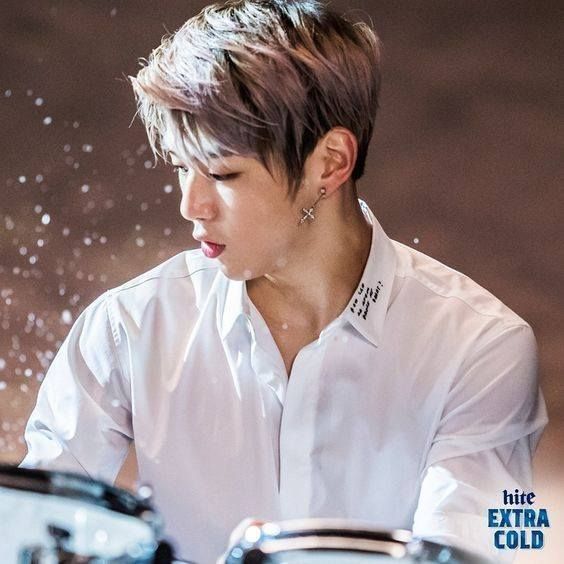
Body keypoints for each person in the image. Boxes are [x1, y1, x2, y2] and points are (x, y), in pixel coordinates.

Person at [20, 1, 547, 563]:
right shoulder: (128, 326)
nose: (190, 205)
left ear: (331, 162)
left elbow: (473, 554)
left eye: (222, 173)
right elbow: (29, 536)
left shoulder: (479, 348)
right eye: (180, 167)